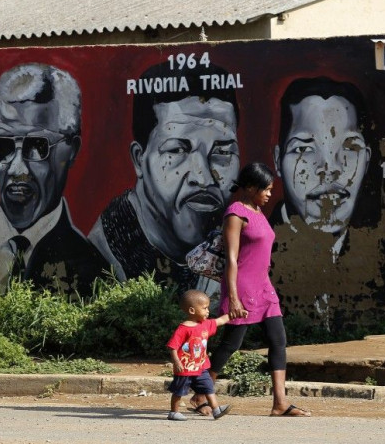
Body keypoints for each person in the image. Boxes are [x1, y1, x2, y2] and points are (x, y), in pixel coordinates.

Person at [0, 63, 107, 298]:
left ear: (71, 150)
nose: (17, 169)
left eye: (38, 146)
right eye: (2, 146)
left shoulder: (91, 272)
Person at [89, 60, 240, 295]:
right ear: (139, 159)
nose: (203, 178)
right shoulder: (100, 257)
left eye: (222, 152)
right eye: (177, 150)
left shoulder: (237, 238)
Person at [191, 162, 311, 417]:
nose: (269, 194)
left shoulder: (256, 210)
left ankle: (279, 403)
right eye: (265, 189)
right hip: (242, 287)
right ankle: (200, 393)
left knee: (278, 340)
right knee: (231, 343)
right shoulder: (235, 214)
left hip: (264, 287)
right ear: (249, 187)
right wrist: (233, 298)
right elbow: (232, 259)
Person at [271, 77, 384, 332]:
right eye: (304, 149)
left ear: (366, 159)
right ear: (278, 161)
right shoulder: (258, 250)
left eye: (349, 146)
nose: (330, 168)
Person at [166, 289, 234, 421]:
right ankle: (173, 412)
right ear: (192, 310)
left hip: (201, 367)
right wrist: (177, 362)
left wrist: (234, 315)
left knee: (209, 387)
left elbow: (220, 321)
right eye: (204, 308)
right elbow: (172, 347)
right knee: (179, 391)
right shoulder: (183, 329)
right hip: (185, 369)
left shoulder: (205, 324)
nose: (208, 311)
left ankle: (216, 409)